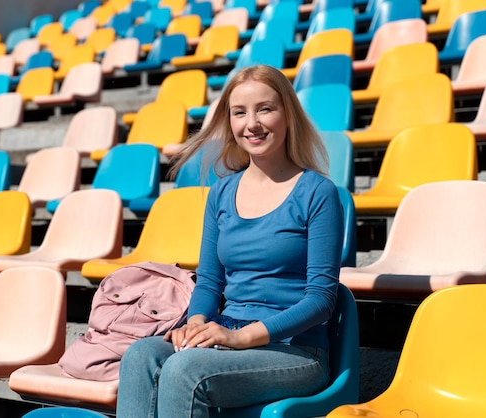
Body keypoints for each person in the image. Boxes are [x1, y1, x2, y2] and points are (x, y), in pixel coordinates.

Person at [115, 65, 344, 418]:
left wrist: (240, 337)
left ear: (288, 115)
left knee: (183, 371)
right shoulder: (222, 192)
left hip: (296, 351)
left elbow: (322, 300)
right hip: (227, 334)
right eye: (240, 112)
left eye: (265, 109)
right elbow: (209, 281)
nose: (251, 123)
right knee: (141, 356)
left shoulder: (318, 193)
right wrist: (195, 324)